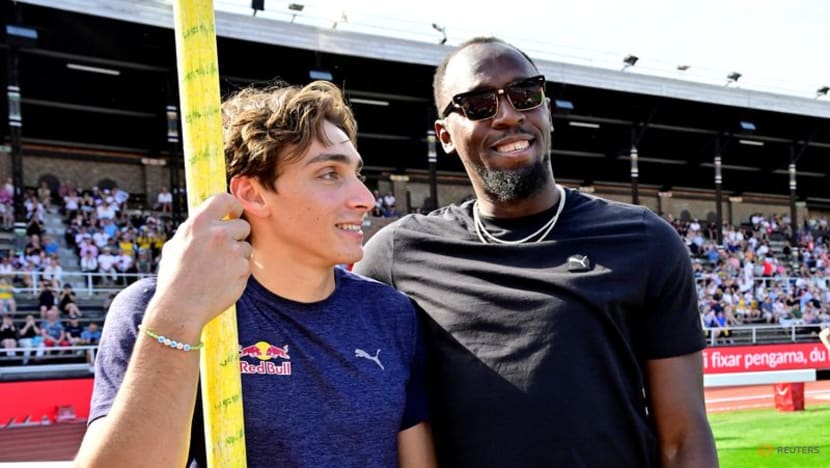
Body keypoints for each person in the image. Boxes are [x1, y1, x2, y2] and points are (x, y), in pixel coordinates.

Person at [355, 37, 717, 467]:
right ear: (444, 136)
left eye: (526, 94)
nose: (509, 115)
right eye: (479, 104)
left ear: (546, 110)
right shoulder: (396, 255)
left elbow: (684, 438)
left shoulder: (644, 240)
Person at [75, 81, 435, 468]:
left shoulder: (391, 313)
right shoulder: (154, 307)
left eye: (357, 174)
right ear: (253, 194)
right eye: (330, 173)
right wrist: (177, 317)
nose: (365, 198)